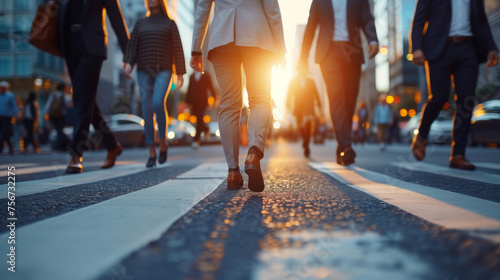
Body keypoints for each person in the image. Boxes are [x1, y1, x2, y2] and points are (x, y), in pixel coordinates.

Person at [190, 0, 286, 192]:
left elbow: (203, 8)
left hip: (222, 37)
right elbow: (272, 7)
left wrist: (196, 49)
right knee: (260, 98)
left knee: (228, 105)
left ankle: (233, 172)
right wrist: (280, 47)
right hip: (257, 34)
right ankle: (253, 154)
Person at [410, 0, 499, 170]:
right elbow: (419, 19)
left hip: (468, 48)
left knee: (466, 99)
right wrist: (416, 48)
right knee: (438, 97)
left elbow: (481, 20)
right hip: (438, 48)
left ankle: (458, 154)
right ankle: (421, 134)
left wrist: (492, 48)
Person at [299, 0, 379, 166]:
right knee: (336, 97)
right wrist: (302, 59)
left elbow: (366, 17)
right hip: (328, 54)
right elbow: (311, 26)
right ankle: (346, 145)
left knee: (350, 100)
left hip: (352, 51)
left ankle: (342, 146)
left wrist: (373, 40)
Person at [57, 0, 130, 173]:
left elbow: (116, 17)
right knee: (85, 100)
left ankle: (76, 154)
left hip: (92, 47)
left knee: (82, 100)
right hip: (70, 46)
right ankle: (112, 146)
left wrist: (128, 54)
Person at [123, 0, 186, 168]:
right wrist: (128, 62)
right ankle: (152, 151)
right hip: (144, 70)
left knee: (158, 103)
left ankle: (163, 142)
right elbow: (132, 45)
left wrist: (180, 72)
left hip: (164, 70)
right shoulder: (140, 23)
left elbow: (178, 48)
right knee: (146, 108)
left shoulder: (169, 23)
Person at [286, 74, 321, 157]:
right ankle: (305, 140)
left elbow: (315, 92)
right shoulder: (293, 82)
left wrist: (319, 103)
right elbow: (289, 94)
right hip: (299, 108)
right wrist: (287, 104)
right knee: (300, 125)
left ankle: (306, 143)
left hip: (309, 107)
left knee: (308, 126)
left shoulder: (311, 81)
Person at [186, 71, 217, 150]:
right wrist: (188, 102)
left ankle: (196, 140)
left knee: (199, 117)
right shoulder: (191, 76)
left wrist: (214, 97)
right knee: (198, 119)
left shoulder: (206, 75)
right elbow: (189, 88)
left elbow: (210, 86)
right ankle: (206, 129)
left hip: (203, 101)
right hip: (193, 102)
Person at [44, 83, 71, 151]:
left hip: (53, 116)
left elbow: (47, 106)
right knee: (60, 131)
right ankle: (59, 145)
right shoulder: (63, 95)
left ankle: (58, 145)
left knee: (58, 130)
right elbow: (69, 103)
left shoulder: (53, 95)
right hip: (61, 115)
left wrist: (46, 114)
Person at [0, 81, 18, 154]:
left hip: (7, 117)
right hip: (0, 117)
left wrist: (15, 115)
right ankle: (11, 148)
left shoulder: (10, 95)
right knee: (5, 133)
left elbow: (14, 106)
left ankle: (0, 148)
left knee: (3, 132)